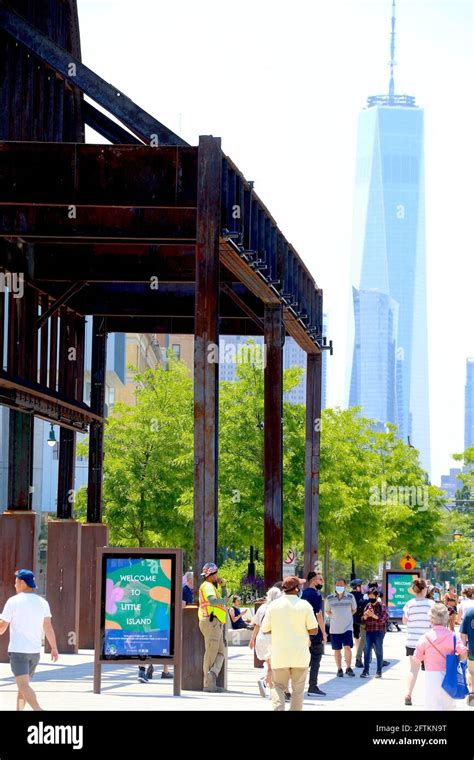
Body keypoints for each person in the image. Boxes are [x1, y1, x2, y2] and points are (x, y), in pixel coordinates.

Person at [0, 569, 58, 711]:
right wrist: (54, 648)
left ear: (22, 582)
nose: (14, 585)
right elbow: (48, 627)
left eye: (16, 582)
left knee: (23, 686)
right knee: (22, 687)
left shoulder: (13, 601)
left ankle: (38, 709)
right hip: (34, 652)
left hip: (18, 651)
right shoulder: (43, 603)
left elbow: (2, 628)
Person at [261, 575, 317, 711]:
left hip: (280, 655)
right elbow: (314, 630)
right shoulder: (305, 605)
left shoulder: (273, 606)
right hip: (300, 655)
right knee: (298, 691)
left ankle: (278, 709)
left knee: (278, 686)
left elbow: (265, 629)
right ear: (297, 589)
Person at [414, 602, 467, 710]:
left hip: (432, 676)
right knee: (448, 705)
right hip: (450, 675)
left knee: (432, 705)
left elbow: (416, 659)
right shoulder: (453, 636)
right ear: (446, 618)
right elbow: (464, 653)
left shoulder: (425, 638)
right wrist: (456, 659)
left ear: (431, 618)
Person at [402, 578, 434, 706]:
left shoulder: (409, 603)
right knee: (431, 670)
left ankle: (408, 694)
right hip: (427, 642)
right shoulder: (431, 604)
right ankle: (431, 697)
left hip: (412, 642)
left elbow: (404, 621)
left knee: (413, 669)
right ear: (425, 589)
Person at [198, 561, 228, 692]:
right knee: (211, 652)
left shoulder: (211, 586)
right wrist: (223, 601)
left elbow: (223, 599)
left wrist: (224, 587)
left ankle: (213, 673)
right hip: (211, 622)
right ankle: (208, 685)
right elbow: (212, 600)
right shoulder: (208, 586)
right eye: (216, 574)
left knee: (221, 652)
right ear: (211, 575)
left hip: (215, 623)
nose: (218, 576)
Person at [249, 586, 282, 697]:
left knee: (269, 663)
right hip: (272, 639)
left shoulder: (262, 607)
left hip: (261, 638)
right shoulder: (278, 608)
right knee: (274, 665)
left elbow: (257, 625)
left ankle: (269, 686)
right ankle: (263, 681)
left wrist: (252, 639)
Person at [302, 571, 327, 696]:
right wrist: (324, 633)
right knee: (316, 658)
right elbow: (319, 615)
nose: (321, 582)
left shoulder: (302, 594)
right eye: (319, 579)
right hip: (314, 631)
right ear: (313, 581)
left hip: (302, 631)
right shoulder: (316, 595)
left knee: (303, 660)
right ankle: (313, 686)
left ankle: (297, 684)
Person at [325, 578, 357, 677]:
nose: (339, 587)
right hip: (335, 628)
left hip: (347, 627)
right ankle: (339, 669)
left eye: (341, 585)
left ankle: (348, 667)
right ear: (334, 586)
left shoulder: (350, 597)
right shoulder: (330, 598)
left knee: (347, 647)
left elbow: (354, 609)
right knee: (337, 649)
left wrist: (346, 616)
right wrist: (334, 617)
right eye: (337, 585)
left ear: (345, 586)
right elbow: (327, 611)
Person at [360, 587, 388, 678]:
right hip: (368, 631)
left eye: (372, 596)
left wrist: (373, 615)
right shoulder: (368, 606)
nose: (371, 598)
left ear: (376, 596)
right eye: (369, 596)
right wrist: (365, 617)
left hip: (379, 632)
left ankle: (379, 671)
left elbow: (383, 619)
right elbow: (362, 620)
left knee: (379, 651)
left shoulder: (381, 606)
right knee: (367, 651)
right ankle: (365, 671)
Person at [460, 605, 474, 698]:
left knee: (472, 671)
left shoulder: (469, 612)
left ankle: (473, 693)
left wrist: (463, 650)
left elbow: (463, 635)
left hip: (472, 650)